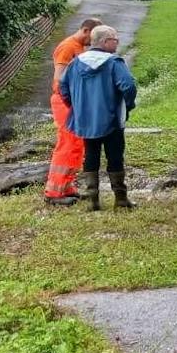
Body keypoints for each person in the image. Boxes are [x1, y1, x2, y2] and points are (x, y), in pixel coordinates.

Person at [58, 24, 138, 211]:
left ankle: (93, 200)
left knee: (91, 155)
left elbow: (63, 87)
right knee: (115, 156)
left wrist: (76, 107)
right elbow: (129, 86)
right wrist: (128, 105)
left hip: (86, 120)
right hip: (111, 119)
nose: (117, 43)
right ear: (104, 42)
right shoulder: (114, 63)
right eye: (114, 40)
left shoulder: (76, 63)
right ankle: (120, 199)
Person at [42, 16, 104, 206]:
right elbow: (60, 79)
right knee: (68, 143)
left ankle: (66, 186)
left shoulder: (79, 48)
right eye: (92, 37)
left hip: (72, 102)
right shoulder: (68, 47)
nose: (92, 43)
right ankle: (54, 192)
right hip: (64, 102)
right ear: (85, 30)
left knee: (77, 144)